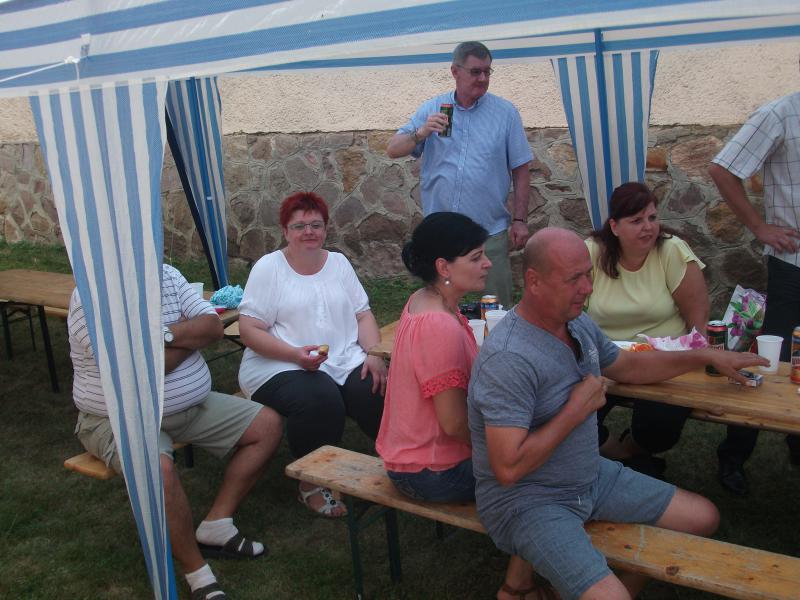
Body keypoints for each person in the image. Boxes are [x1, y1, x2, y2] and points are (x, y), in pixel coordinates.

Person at [468, 227, 767, 600]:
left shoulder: (575, 322)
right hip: (529, 501)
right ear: (534, 281)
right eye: (573, 279)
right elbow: (507, 468)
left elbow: (629, 366)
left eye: (588, 274)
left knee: (703, 517)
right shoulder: (509, 358)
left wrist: (704, 355)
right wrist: (576, 409)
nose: (587, 288)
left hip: (588, 477)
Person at [69, 264, 282, 600]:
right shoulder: (89, 295)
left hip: (189, 406)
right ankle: (198, 573)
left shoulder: (166, 274)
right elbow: (137, 372)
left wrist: (161, 336)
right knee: (160, 470)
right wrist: (188, 338)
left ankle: (216, 524)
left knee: (267, 425)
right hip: (119, 417)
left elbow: (213, 326)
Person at [375, 212, 534, 600]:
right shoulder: (438, 325)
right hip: (430, 469)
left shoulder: (426, 300)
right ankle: (518, 586)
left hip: (414, 457)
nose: (488, 263)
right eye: (476, 257)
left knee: (540, 457)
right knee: (544, 475)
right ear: (444, 267)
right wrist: (505, 454)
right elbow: (452, 424)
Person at [238, 191, 386, 518]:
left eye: (316, 225)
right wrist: (294, 355)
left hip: (340, 357)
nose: (309, 232)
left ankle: (396, 460)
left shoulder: (338, 263)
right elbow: (249, 330)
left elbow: (363, 315)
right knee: (320, 398)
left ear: (325, 228)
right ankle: (311, 484)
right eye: (299, 226)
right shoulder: (269, 268)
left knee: (372, 385)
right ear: (285, 231)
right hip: (277, 362)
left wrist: (374, 353)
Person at [386, 41, 533, 309]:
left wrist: (520, 219)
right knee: (440, 310)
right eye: (475, 72)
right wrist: (421, 133)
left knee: (495, 311)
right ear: (455, 71)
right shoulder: (434, 108)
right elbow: (392, 149)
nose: (483, 78)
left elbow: (521, 169)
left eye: (487, 71)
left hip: (488, 234)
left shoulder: (506, 113)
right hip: (442, 236)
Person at [709, 84, 800, 496]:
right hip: (793, 264)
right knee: (770, 359)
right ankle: (734, 453)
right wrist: (759, 227)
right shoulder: (780, 114)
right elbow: (722, 169)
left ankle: (796, 443)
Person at [585, 182, 709, 476]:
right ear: (614, 226)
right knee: (570, 415)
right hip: (605, 361)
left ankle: (631, 455)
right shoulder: (592, 252)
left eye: (652, 218)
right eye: (636, 220)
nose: (648, 227)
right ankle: (627, 461)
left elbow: (699, 322)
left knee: (660, 428)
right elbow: (568, 308)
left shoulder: (672, 251)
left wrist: (697, 363)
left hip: (663, 361)